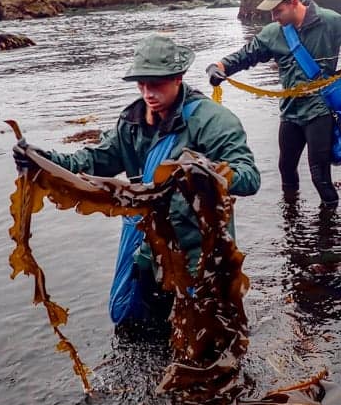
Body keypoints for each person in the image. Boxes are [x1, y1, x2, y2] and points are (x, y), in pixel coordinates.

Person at [13, 34, 260, 329]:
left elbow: (250, 177)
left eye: (155, 83)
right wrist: (44, 159)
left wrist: (206, 171)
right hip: (148, 240)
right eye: (141, 83)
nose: (147, 92)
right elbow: (94, 159)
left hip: (200, 248)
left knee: (207, 330)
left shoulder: (213, 121)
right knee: (132, 322)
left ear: (178, 77)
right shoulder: (131, 123)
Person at [206, 0, 341, 209]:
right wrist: (218, 67)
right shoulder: (273, 33)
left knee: (320, 175)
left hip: (319, 112)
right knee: (286, 169)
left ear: (294, 2)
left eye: (278, 10)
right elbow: (246, 55)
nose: (273, 17)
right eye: (271, 12)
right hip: (290, 113)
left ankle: (329, 233)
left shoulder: (330, 21)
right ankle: (291, 223)